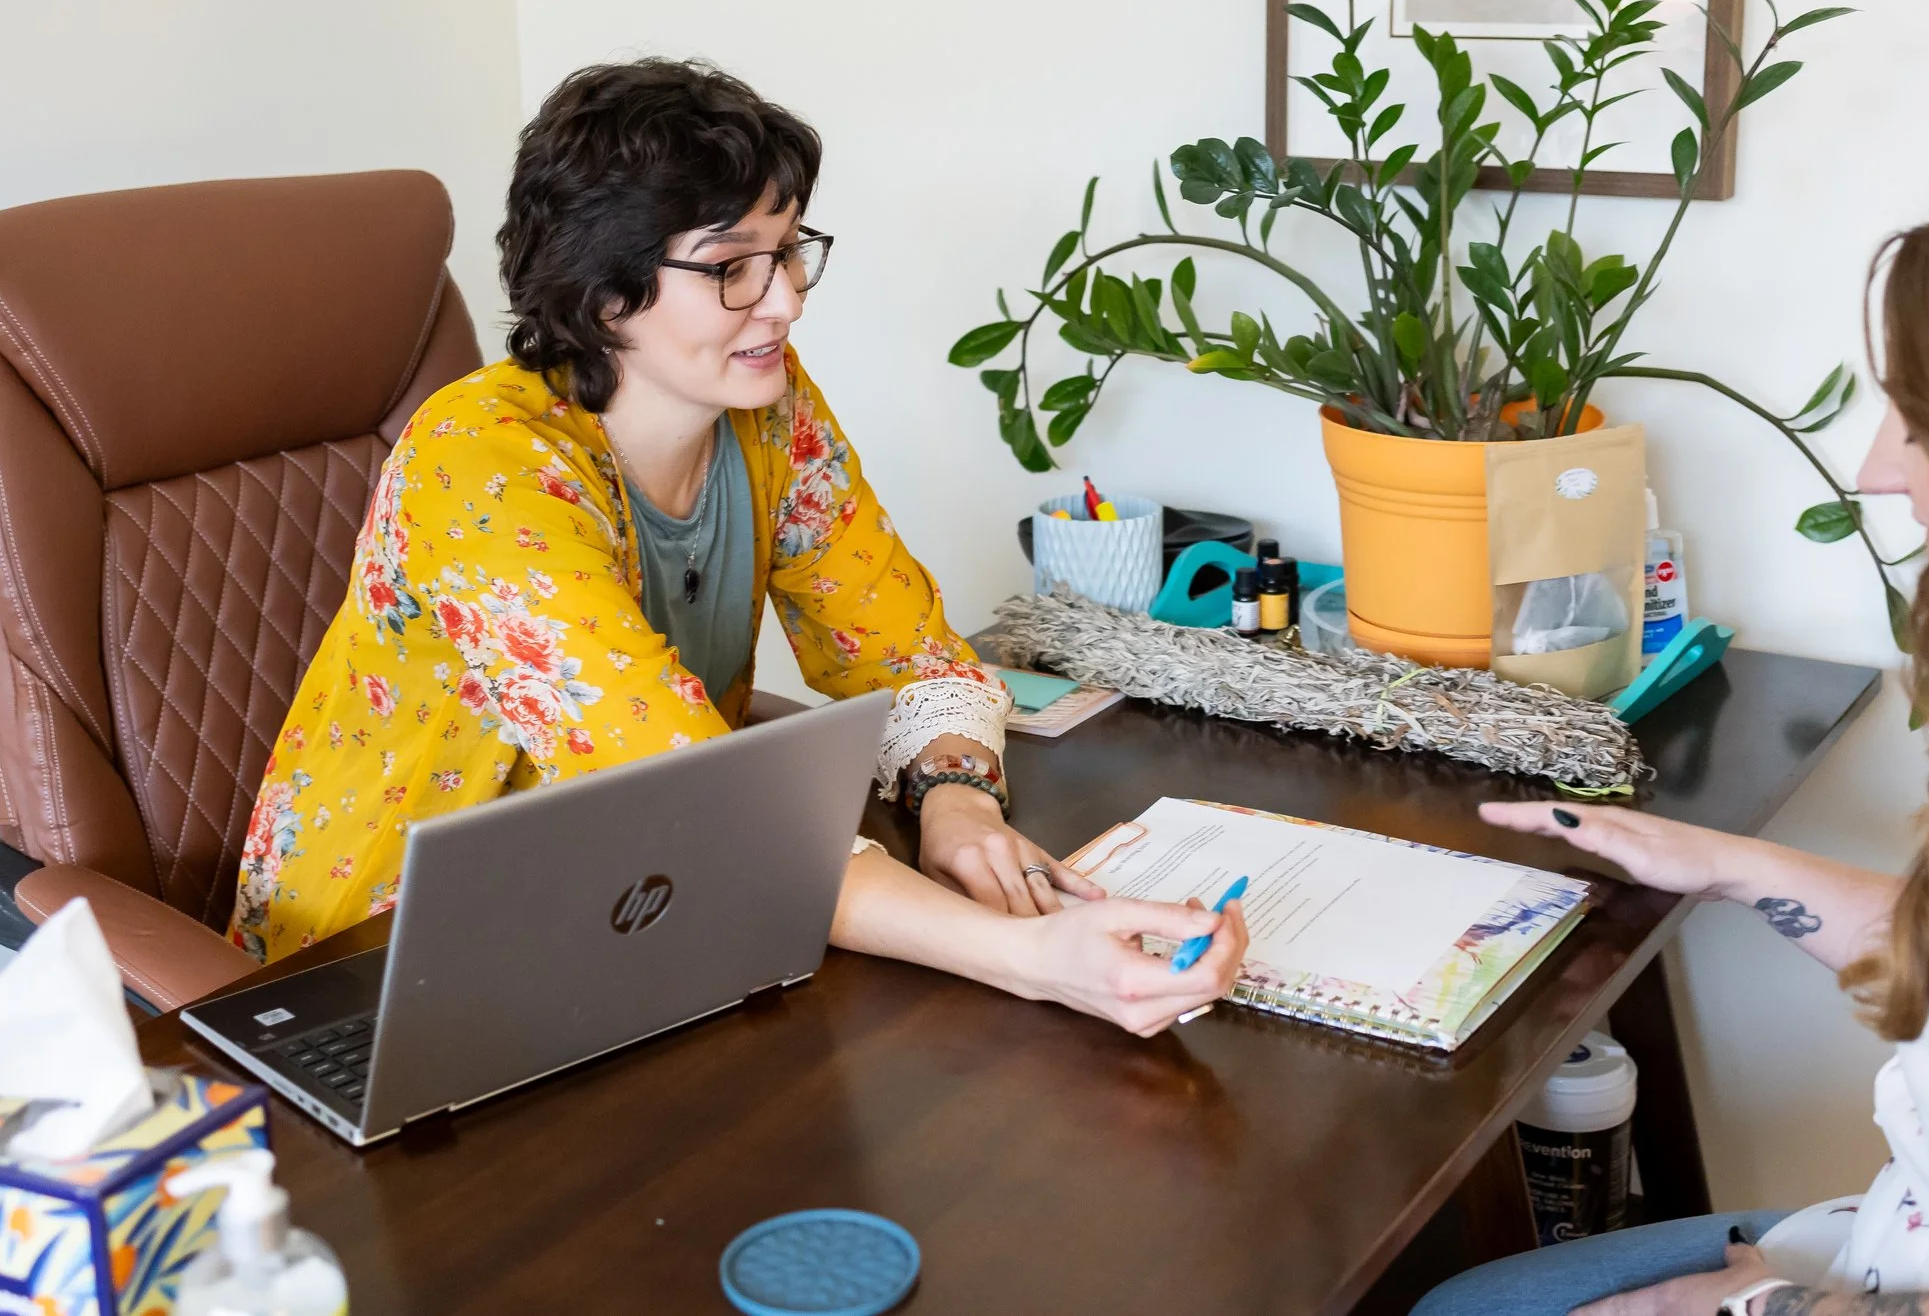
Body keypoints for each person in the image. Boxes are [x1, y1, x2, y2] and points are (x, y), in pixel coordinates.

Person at [225, 58, 1244, 1036]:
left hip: (630, 912)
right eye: (730, 268)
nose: (787, 300)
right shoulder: (479, 466)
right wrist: (1034, 957)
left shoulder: (765, 407)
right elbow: (696, 801)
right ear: (600, 291)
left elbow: (904, 652)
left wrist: (955, 801)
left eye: (790, 250)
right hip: (376, 964)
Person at [1418, 159, 1929, 1316]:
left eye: (1913, 419)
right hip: (1904, 1233)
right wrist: (1727, 865)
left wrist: (1739, 1303)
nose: (1876, 467)